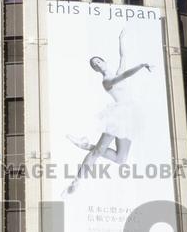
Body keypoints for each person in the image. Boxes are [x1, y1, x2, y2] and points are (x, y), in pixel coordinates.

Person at [62, 29, 152, 196]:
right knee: (97, 152)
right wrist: (140, 66)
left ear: (103, 61)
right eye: (94, 65)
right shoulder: (106, 81)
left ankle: (84, 144)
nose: (97, 64)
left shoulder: (114, 72)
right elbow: (124, 75)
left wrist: (121, 39)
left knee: (120, 159)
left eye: (98, 61)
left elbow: (123, 58)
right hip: (118, 116)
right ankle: (76, 182)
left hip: (129, 116)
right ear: (96, 70)